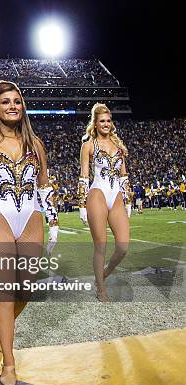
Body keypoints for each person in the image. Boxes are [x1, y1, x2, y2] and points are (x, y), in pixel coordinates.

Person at [0, 81, 59, 385]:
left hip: (31, 215)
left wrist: (54, 220)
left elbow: (44, 187)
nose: (12, 106)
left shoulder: (36, 144)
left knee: (27, 288)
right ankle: (8, 362)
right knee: (6, 290)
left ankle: (2, 329)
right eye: (5, 101)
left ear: (23, 106)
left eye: (17, 101)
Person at [78, 103, 130, 303]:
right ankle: (100, 288)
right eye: (102, 121)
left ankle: (105, 272)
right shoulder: (89, 145)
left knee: (123, 246)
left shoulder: (118, 146)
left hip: (116, 194)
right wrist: (82, 204)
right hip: (97, 193)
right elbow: (84, 176)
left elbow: (124, 176)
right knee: (101, 245)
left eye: (108, 120)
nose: (106, 124)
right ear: (95, 123)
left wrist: (128, 202)